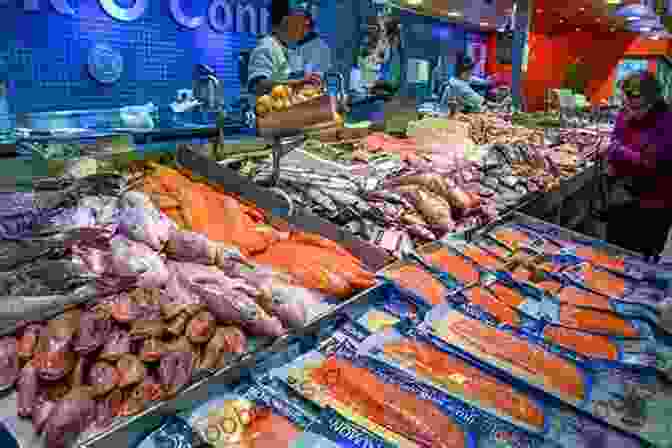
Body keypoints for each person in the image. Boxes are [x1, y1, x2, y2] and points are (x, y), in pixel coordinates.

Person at [605, 70, 672, 259]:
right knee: (615, 252)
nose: (632, 114)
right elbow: (616, 138)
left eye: (638, 109)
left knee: (643, 258)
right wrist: (612, 155)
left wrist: (620, 151)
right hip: (623, 194)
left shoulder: (667, 122)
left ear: (654, 100)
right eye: (627, 107)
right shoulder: (625, 112)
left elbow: (655, 162)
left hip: (654, 203)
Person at [247, 0, 320, 96]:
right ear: (285, 20)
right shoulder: (267, 46)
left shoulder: (289, 50)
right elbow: (257, 86)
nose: (307, 23)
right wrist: (297, 83)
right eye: (303, 17)